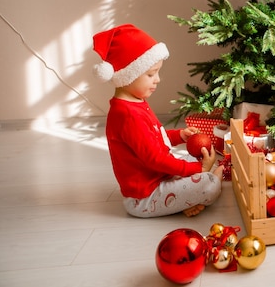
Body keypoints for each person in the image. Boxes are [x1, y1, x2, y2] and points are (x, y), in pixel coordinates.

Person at [92, 24, 223, 218]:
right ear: (129, 74)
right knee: (208, 186)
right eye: (151, 74)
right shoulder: (127, 115)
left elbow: (153, 138)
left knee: (187, 160)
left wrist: (179, 135)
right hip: (145, 197)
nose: (158, 80)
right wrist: (200, 169)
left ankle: (184, 200)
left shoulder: (135, 102)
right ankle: (208, 182)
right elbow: (155, 159)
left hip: (160, 177)